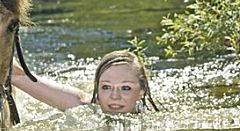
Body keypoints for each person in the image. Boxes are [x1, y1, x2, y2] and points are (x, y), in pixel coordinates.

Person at [12, 50, 159, 113]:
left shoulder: (156, 120)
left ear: (142, 91)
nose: (115, 96)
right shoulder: (86, 108)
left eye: (125, 88)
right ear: (97, 88)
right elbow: (19, 76)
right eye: (106, 87)